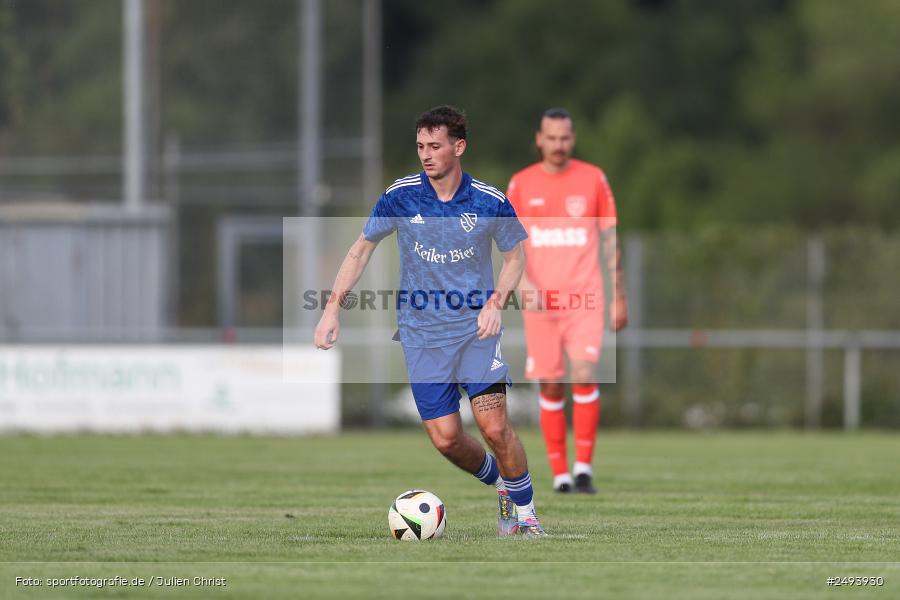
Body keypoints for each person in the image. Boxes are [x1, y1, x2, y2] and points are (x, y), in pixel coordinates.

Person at [314, 105, 546, 537]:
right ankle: (501, 484)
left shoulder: (488, 200)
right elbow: (360, 249)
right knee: (445, 439)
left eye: (435, 146)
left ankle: (526, 516)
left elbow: (516, 258)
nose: (425, 154)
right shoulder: (400, 195)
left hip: (476, 331)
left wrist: (496, 302)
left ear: (458, 147)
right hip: (422, 335)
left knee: (495, 427)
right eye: (420, 146)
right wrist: (331, 307)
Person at [506, 108, 628, 494]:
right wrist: (524, 282)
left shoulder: (593, 179)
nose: (559, 145)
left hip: (584, 298)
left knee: (584, 372)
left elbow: (609, 239)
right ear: (539, 139)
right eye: (551, 137)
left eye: (565, 138)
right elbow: (507, 243)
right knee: (551, 384)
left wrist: (618, 295)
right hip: (540, 305)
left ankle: (583, 469)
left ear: (572, 140)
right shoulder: (521, 184)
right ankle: (559, 474)